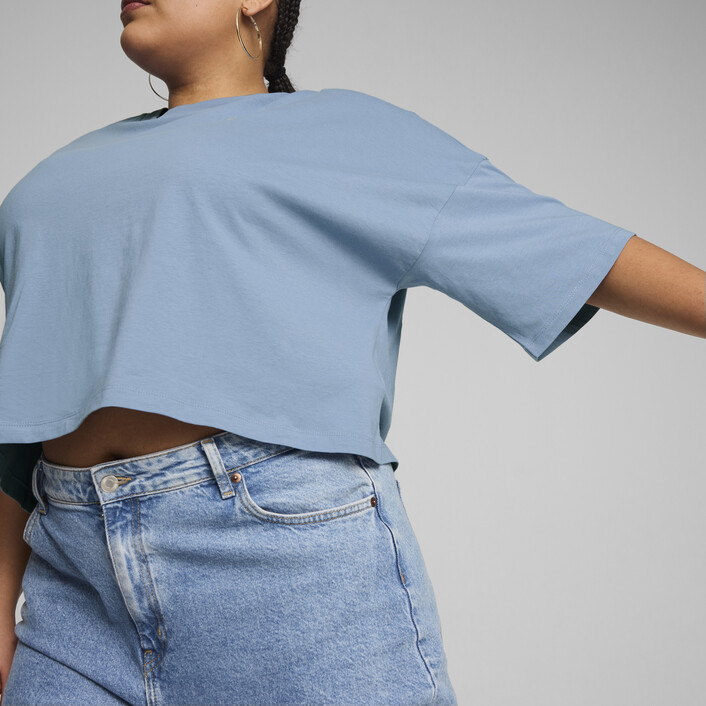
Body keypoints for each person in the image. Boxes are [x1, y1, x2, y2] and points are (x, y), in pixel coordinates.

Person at [0, 1, 704, 704]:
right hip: (73, 580)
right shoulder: (53, 179)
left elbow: (569, 250)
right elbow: (20, 425)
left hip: (281, 557)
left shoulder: (347, 134)